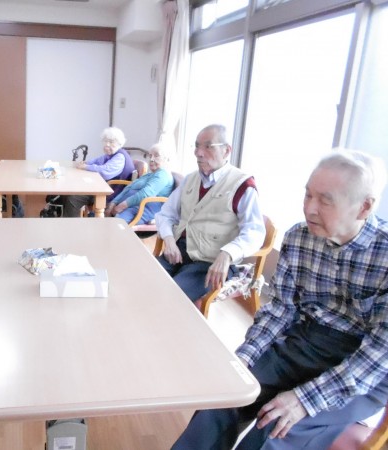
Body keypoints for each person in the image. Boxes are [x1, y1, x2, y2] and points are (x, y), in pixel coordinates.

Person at [171, 149, 388, 450]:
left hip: (367, 369)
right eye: (307, 195)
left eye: (325, 200)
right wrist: (243, 359)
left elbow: (379, 354)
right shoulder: (299, 237)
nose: (309, 209)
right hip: (307, 340)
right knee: (226, 396)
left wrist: (304, 399)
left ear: (365, 207)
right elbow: (280, 309)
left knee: (274, 432)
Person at [155, 124, 265, 303]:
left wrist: (227, 253)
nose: (199, 153)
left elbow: (255, 232)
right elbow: (165, 214)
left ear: (226, 150)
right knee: (143, 281)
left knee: (170, 299)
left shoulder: (243, 185)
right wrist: (168, 240)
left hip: (211, 263)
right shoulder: (190, 179)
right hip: (179, 252)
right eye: (197, 146)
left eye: (208, 146)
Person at [62, 126, 135, 217]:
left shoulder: (120, 157)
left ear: (119, 143)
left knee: (73, 198)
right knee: (70, 191)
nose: (107, 144)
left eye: (111, 142)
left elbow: (105, 172)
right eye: (105, 141)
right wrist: (86, 163)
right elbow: (97, 160)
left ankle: (71, 224)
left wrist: (86, 167)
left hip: (110, 194)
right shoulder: (112, 154)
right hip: (102, 188)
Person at [105, 142, 174, 224]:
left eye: (156, 155)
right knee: (100, 215)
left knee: (113, 224)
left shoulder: (163, 174)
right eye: (150, 156)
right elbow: (129, 187)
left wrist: (121, 206)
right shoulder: (150, 174)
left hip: (141, 209)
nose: (151, 159)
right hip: (130, 206)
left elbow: (146, 194)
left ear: (167, 159)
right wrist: (114, 202)